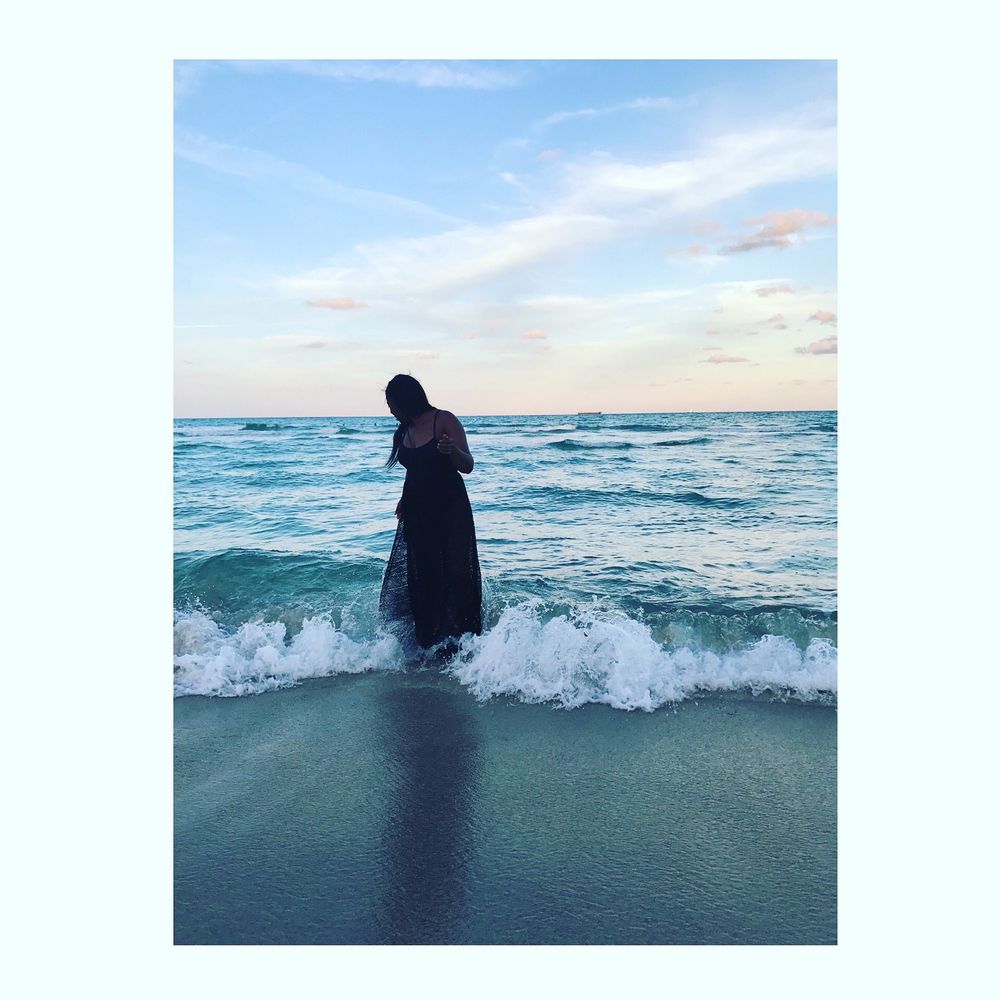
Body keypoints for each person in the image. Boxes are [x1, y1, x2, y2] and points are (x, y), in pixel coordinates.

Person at [379, 374, 483, 654]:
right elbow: (415, 471)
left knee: (457, 571)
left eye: (391, 403)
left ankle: (469, 640)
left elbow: (468, 465)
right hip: (417, 510)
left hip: (450, 507)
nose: (389, 410)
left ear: (405, 399)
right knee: (423, 574)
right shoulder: (403, 431)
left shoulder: (443, 420)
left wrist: (452, 451)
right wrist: (404, 499)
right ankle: (429, 642)